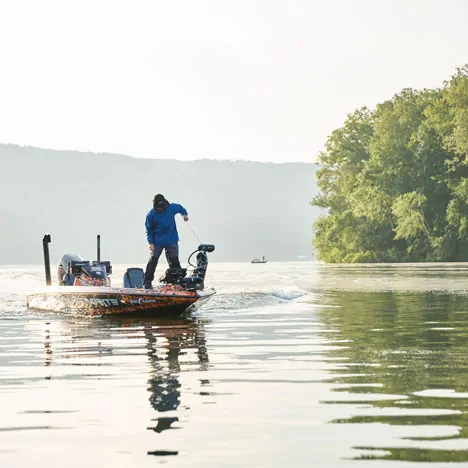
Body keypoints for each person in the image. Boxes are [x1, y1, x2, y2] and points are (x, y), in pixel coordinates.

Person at [143, 193, 189, 289]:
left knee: (174, 260)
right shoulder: (151, 215)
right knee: (153, 261)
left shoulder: (171, 207)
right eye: (159, 207)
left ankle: (178, 282)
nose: (161, 208)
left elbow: (180, 208)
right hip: (157, 242)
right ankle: (147, 282)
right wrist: (151, 243)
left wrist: (184, 215)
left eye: (162, 206)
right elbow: (149, 230)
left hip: (171, 239)